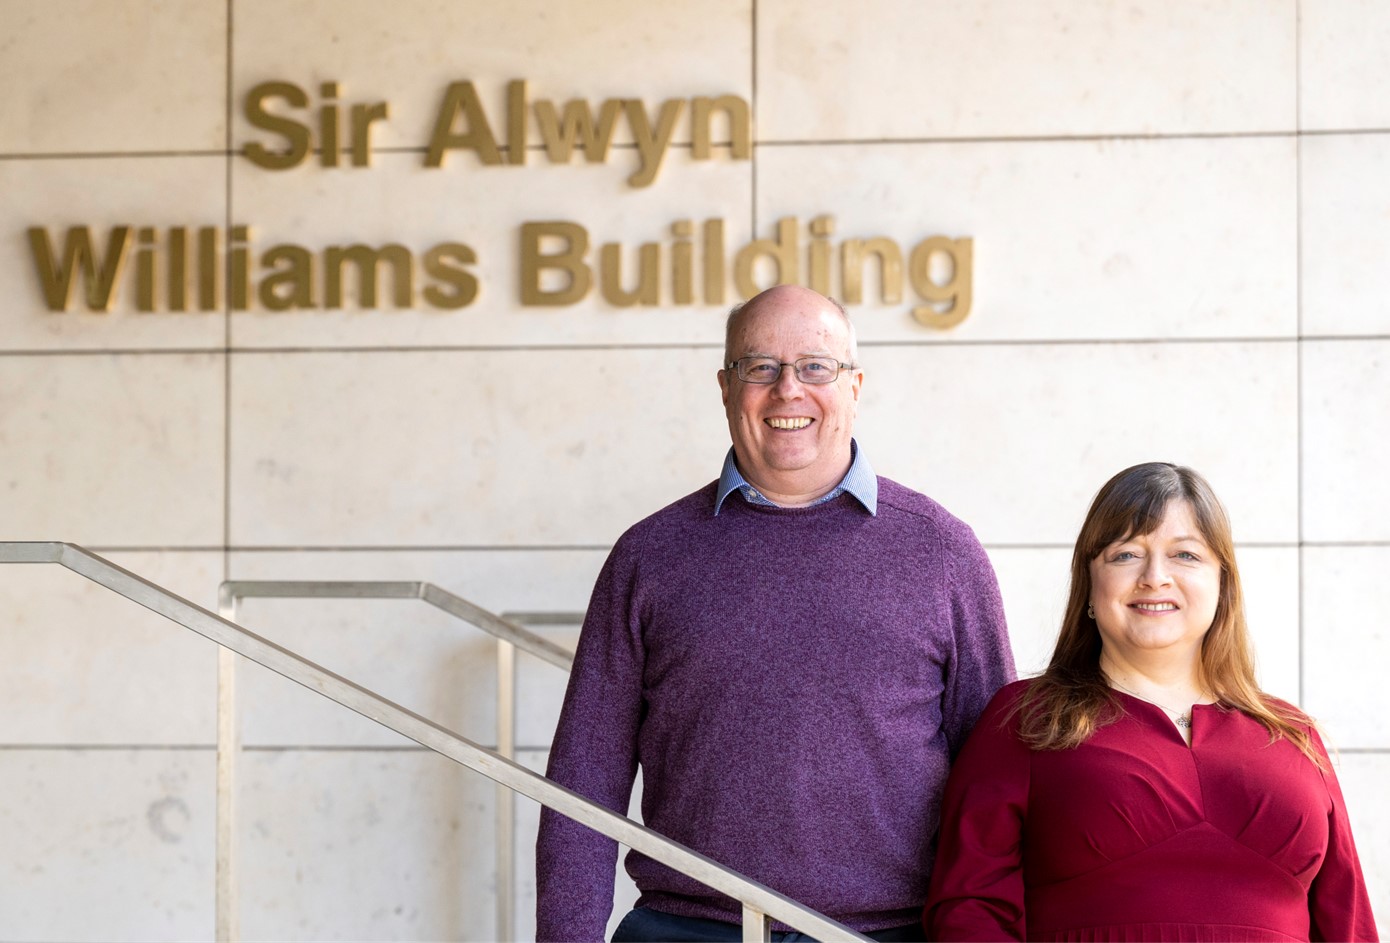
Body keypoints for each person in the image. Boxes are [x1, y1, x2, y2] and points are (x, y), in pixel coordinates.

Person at [535, 284, 1015, 942]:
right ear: (726, 387)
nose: (788, 389)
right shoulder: (649, 556)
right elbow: (584, 779)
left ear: (855, 386)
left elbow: (999, 784)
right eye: (759, 367)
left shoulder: (941, 552)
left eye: (816, 366)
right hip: (686, 928)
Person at [924, 462, 1378, 942]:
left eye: (1185, 554)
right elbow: (968, 913)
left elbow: (1348, 919)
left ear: (1222, 583)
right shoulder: (1026, 720)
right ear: (1090, 588)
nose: (1155, 577)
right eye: (1125, 555)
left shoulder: (1293, 733)